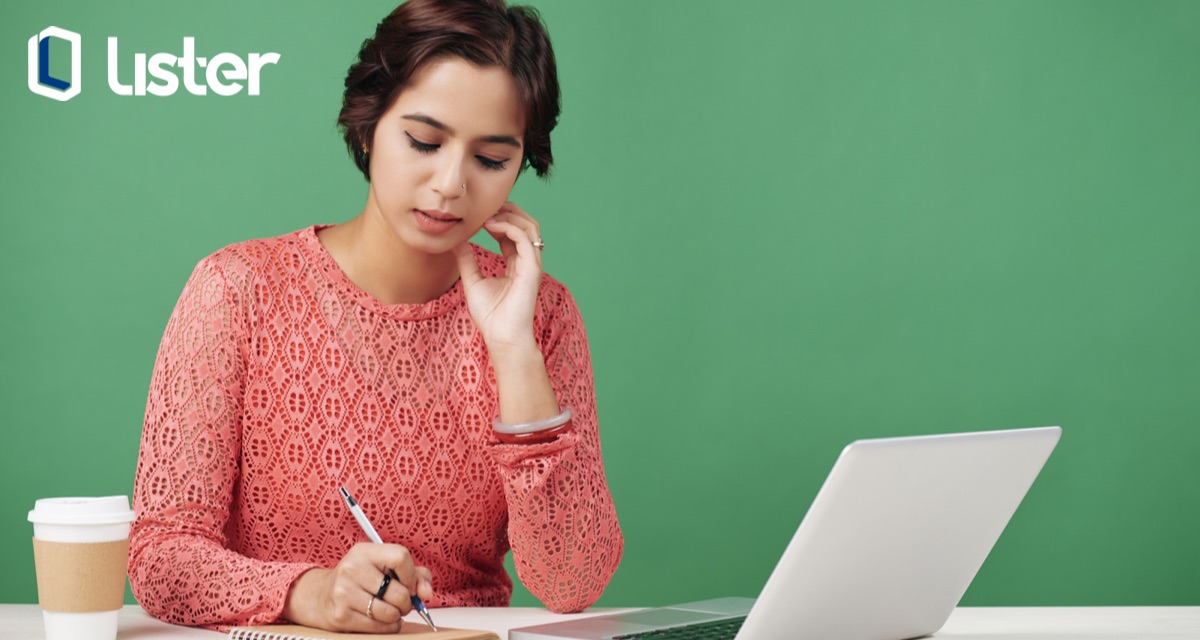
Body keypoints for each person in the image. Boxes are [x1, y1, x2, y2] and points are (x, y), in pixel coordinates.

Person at [127, 0, 623, 632]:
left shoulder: (541, 315)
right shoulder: (238, 290)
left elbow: (574, 582)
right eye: (423, 141)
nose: (450, 184)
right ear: (367, 125)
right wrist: (316, 594)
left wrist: (514, 350)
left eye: (492, 159)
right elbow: (161, 558)